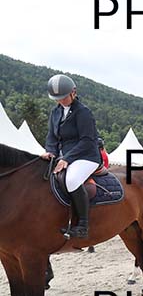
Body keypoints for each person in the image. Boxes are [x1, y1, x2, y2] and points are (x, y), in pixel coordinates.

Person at [42, 74, 101, 239]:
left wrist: (67, 158)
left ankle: (82, 225)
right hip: (64, 156)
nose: (60, 101)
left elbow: (87, 141)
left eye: (63, 97)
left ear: (73, 92)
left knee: (72, 179)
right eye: (57, 98)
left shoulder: (83, 112)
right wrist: (50, 151)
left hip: (86, 156)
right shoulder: (55, 112)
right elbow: (51, 137)